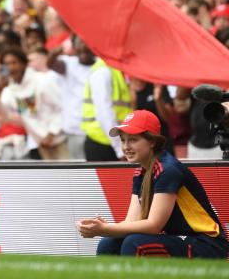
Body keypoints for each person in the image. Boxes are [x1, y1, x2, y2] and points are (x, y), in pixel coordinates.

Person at [77, 110, 229, 259]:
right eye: (123, 140)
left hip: (208, 245)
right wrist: (105, 229)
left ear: (152, 141)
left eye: (133, 140)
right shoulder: (140, 172)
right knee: (109, 243)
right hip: (182, 240)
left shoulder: (168, 170)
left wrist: (106, 228)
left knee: (134, 243)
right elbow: (132, 222)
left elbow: (153, 225)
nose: (126, 147)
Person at [81, 57, 132, 161]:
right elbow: (104, 114)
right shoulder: (103, 72)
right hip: (104, 144)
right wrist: (120, 149)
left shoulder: (115, 70)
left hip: (113, 142)